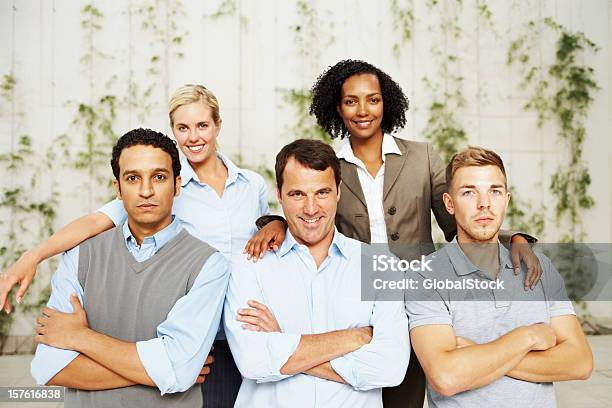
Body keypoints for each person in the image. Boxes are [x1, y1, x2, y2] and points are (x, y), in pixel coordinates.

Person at [245, 59, 543, 408]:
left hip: (420, 297)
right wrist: (278, 223)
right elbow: (311, 212)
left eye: (373, 99)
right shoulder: (330, 165)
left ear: (386, 103)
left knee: (407, 395)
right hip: (358, 302)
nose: (363, 110)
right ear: (337, 107)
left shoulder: (421, 157)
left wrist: (514, 239)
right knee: (355, 388)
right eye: (351, 101)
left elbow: (456, 218)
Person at [2, 84, 285, 407]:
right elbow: (96, 222)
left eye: (202, 125)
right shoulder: (162, 184)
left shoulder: (250, 185)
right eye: (183, 127)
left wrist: (277, 223)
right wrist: (34, 255)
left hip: (239, 326)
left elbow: (263, 236)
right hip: (189, 330)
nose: (193, 136)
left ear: (218, 125)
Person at [31, 128, 230, 408]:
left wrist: (79, 337)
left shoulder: (209, 264)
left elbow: (178, 368)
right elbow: (48, 368)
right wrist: (160, 370)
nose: (146, 190)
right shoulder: (80, 255)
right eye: (133, 178)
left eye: (159, 177)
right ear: (118, 188)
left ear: (177, 184)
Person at [224, 139, 410, 407]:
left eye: (322, 192)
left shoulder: (379, 265)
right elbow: (254, 362)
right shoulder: (250, 264)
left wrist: (282, 344)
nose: (311, 208)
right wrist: (354, 337)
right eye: (297, 194)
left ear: (338, 192)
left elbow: (389, 368)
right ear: (279, 194)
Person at [405, 146, 593, 407]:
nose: (484, 204)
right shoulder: (424, 277)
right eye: (469, 192)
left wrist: (478, 358)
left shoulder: (540, 268)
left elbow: (580, 362)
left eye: (494, 191)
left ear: (506, 199)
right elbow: (446, 377)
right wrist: (526, 338)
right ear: (449, 204)